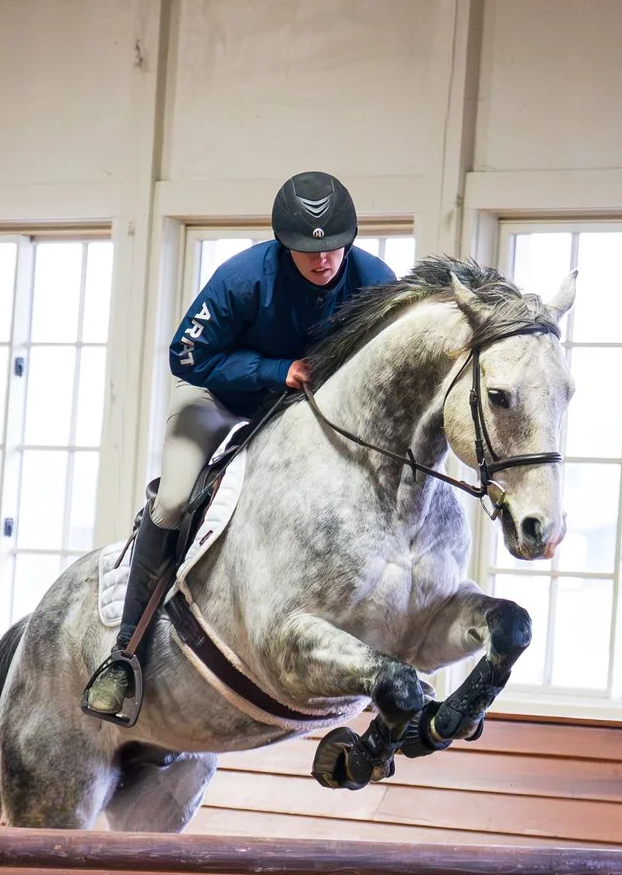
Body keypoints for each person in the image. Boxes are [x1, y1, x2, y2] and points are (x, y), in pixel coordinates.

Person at [82, 171, 400, 723]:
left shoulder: (376, 279)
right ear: (284, 244)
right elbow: (187, 356)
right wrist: (277, 370)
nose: (323, 261)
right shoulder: (243, 277)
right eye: (308, 250)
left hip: (303, 415)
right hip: (219, 398)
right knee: (176, 499)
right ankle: (123, 656)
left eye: (332, 248)